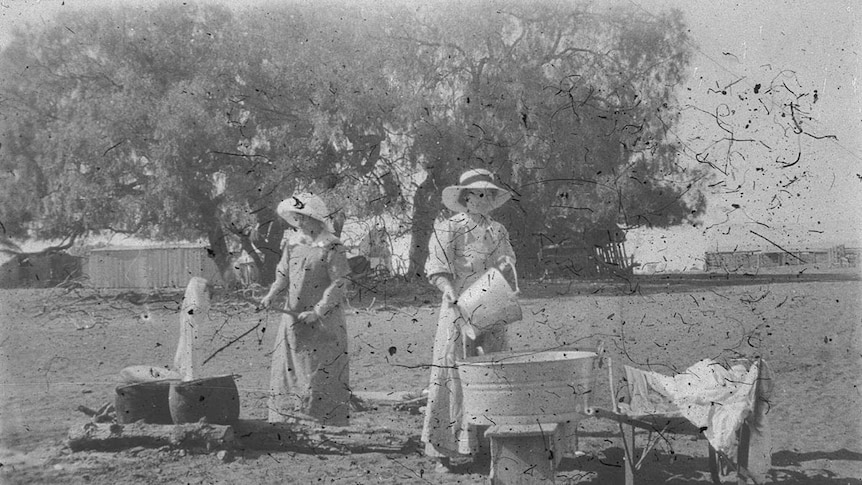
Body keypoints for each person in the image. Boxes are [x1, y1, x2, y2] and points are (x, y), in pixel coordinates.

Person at [421, 168, 517, 471]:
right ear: (464, 197)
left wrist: (505, 274)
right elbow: (438, 267)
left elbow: (508, 262)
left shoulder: (498, 230)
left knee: (492, 371)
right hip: (459, 307)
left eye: (488, 194)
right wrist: (449, 292)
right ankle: (447, 449)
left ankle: (487, 444)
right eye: (477, 193)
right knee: (454, 372)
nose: (483, 198)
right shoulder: (449, 228)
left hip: (492, 305)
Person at [260, 193, 352, 427]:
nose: (299, 222)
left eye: (304, 217)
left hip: (323, 322)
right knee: (290, 371)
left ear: (317, 219)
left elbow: (340, 282)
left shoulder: (332, 246)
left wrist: (318, 311)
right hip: (293, 320)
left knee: (318, 371)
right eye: (296, 217)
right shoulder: (292, 245)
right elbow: (283, 275)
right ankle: (287, 421)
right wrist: (271, 295)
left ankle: (324, 422)